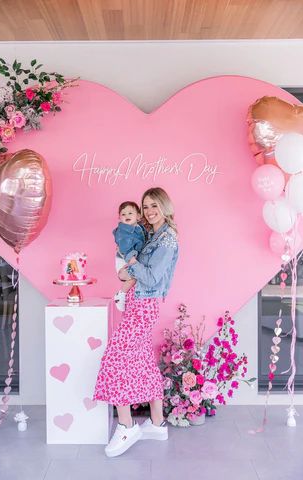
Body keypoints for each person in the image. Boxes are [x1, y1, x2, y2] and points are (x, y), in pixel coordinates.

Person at [93, 187, 178, 457]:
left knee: (116, 358)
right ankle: (156, 422)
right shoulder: (152, 234)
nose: (150, 211)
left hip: (144, 306)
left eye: (155, 206)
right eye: (146, 206)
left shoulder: (167, 239)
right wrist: (127, 271)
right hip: (138, 303)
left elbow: (152, 278)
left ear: (165, 206)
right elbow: (137, 274)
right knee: (142, 360)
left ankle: (127, 425)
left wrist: (129, 262)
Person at [113, 201, 146, 311]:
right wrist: (132, 261)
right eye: (123, 214)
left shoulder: (139, 228)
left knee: (138, 277)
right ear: (119, 217)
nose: (126, 216)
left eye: (130, 213)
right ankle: (120, 295)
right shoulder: (123, 232)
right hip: (124, 260)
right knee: (133, 278)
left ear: (138, 216)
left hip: (131, 258)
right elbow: (125, 249)